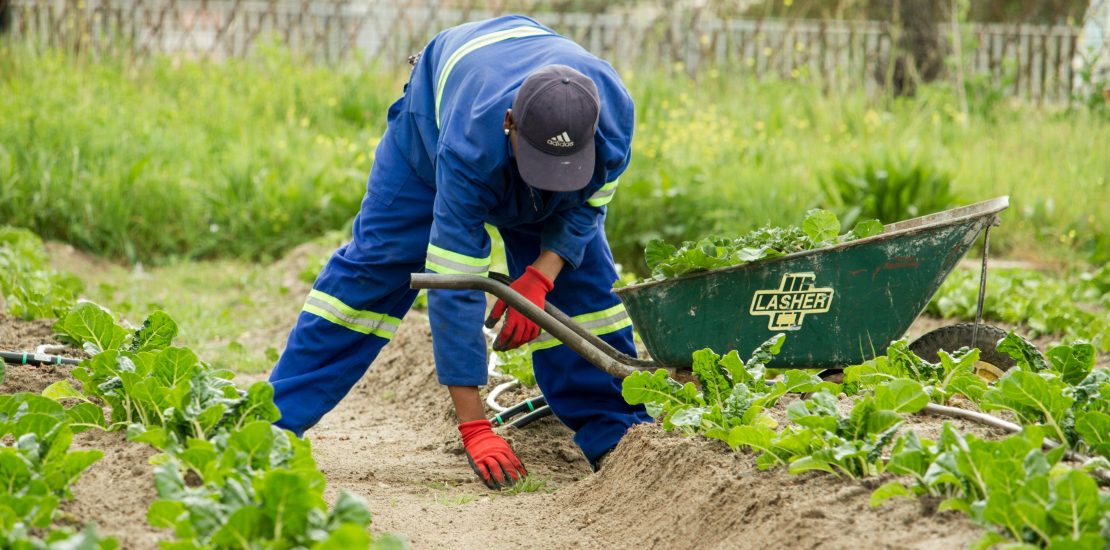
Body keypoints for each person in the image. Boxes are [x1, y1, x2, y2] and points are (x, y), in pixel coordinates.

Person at [268, 14, 650, 489]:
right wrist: (474, 425)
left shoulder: (613, 119)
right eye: (538, 167)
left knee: (582, 291)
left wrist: (542, 276)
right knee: (375, 270)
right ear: (509, 125)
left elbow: (589, 205)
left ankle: (618, 435)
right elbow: (456, 285)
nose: (547, 183)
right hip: (432, 130)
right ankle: (273, 425)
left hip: (528, 114)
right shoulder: (470, 144)